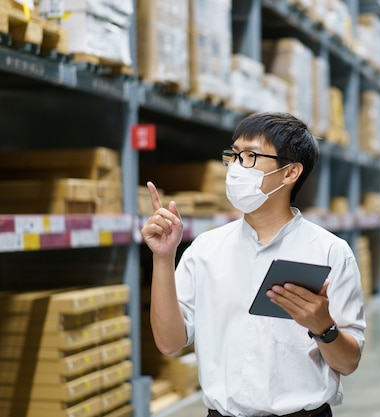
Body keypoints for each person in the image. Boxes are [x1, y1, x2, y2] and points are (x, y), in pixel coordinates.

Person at [141, 112, 366, 417]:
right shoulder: (205, 251)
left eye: (249, 156)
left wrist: (322, 327)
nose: (235, 167)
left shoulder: (330, 253)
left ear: (290, 173)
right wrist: (164, 258)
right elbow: (169, 343)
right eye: (233, 155)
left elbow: (348, 363)